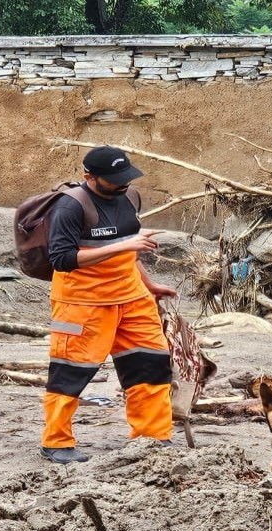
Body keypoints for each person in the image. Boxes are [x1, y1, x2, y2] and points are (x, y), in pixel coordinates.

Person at [40, 146, 177, 464]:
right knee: (70, 373)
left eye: (125, 177)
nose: (123, 184)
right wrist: (125, 244)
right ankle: (56, 442)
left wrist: (150, 285)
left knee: (151, 367)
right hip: (81, 304)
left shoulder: (130, 197)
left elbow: (128, 252)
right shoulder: (70, 207)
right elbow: (62, 259)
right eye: (114, 179)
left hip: (133, 299)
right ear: (89, 177)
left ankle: (152, 438)